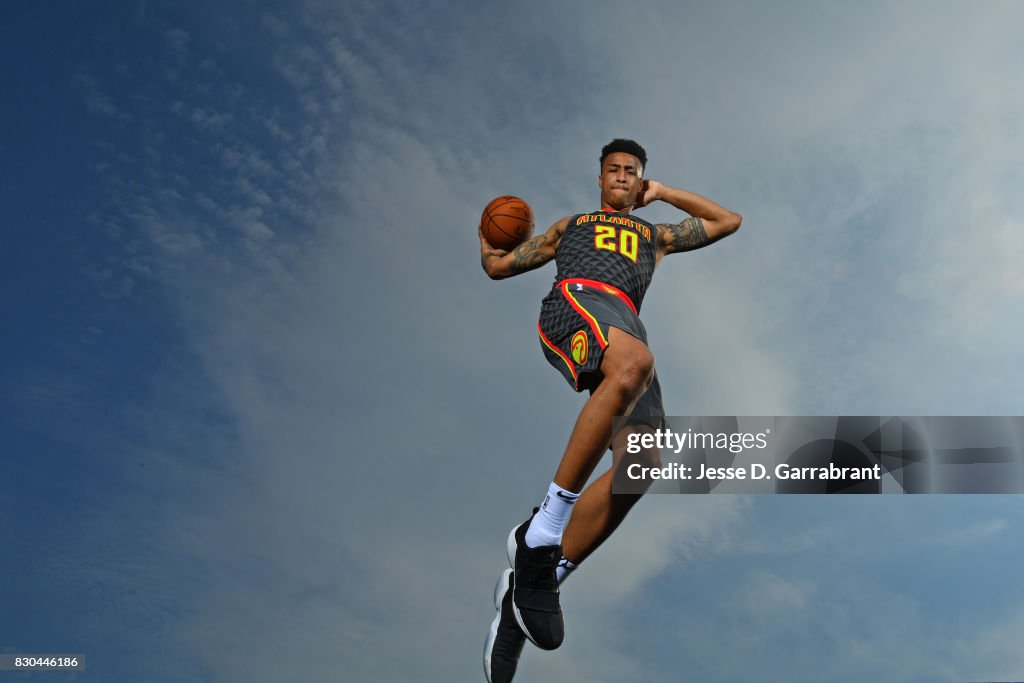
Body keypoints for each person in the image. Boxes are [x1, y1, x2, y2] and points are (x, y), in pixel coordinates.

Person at [480, 139, 742, 682]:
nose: (622, 176)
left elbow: (727, 220)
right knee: (631, 365)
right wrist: (486, 244)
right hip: (575, 303)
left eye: (632, 171)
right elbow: (502, 265)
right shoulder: (570, 225)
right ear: (600, 180)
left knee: (645, 463)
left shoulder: (656, 235)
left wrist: (665, 193)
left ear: (639, 181)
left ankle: (536, 582)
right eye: (613, 170)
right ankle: (540, 534)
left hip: (625, 326)